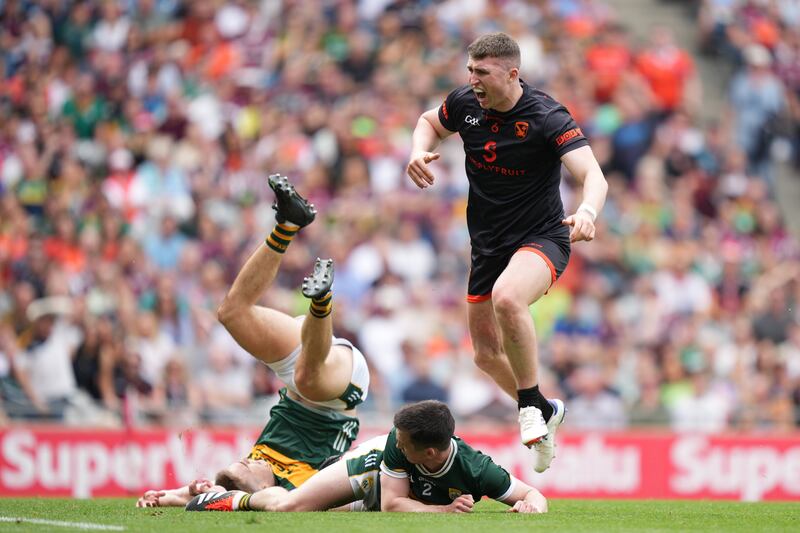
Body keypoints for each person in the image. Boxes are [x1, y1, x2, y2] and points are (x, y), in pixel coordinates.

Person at [406, 32, 608, 472]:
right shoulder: (465, 104)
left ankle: (531, 407)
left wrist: (588, 211)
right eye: (470, 71)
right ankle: (546, 410)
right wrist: (419, 151)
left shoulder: (546, 116)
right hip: (488, 245)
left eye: (482, 72)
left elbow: (593, 174)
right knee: (483, 354)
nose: (472, 79)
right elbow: (428, 121)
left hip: (542, 237)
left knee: (508, 298)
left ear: (512, 73)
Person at [137, 174, 370, 507]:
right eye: (245, 469)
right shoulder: (294, 490)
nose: (247, 460)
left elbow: (204, 490)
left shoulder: (256, 462)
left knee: (231, 313)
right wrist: (238, 499)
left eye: (241, 461)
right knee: (308, 377)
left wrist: (171, 497)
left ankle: (289, 222)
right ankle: (322, 301)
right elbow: (270, 500)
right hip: (338, 386)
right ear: (256, 489)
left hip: (301, 365)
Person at [184, 400, 547, 514]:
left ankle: (189, 494)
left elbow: (535, 495)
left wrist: (530, 508)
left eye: (405, 444)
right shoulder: (394, 443)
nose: (397, 443)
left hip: (377, 498)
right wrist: (444, 511)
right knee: (288, 507)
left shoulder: (477, 469)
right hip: (369, 473)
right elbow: (392, 504)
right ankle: (226, 499)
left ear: (431, 452)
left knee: (299, 502)